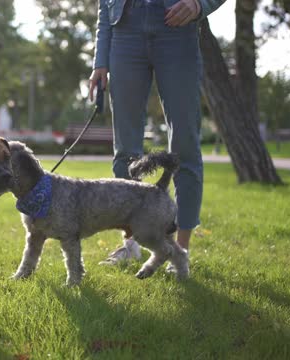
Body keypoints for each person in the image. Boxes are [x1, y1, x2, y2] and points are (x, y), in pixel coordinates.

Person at [89, 0, 226, 266]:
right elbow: (104, 6)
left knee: (184, 146)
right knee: (126, 151)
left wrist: (200, 5)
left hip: (176, 28)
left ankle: (179, 252)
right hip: (124, 30)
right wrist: (100, 59)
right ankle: (131, 245)